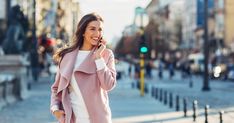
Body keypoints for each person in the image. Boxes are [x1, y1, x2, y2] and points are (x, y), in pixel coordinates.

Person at [50, 13, 117, 123]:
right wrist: (55, 109)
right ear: (83, 32)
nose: (97, 33)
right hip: (72, 119)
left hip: (98, 119)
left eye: (100, 29)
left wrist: (98, 58)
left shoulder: (106, 54)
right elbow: (56, 88)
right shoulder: (67, 56)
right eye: (92, 29)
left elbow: (108, 85)